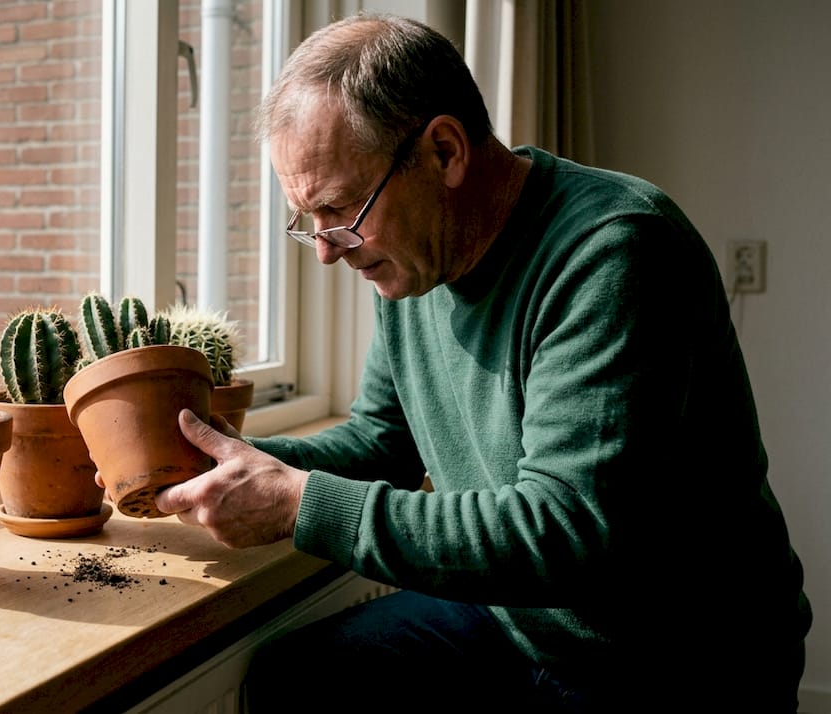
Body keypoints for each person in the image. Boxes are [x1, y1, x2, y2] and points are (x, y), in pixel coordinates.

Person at [151, 12, 812, 713]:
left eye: (340, 209)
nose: (325, 249)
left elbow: (564, 530)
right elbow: (382, 445)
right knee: (299, 681)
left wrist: (302, 504)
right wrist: (217, 461)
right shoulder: (412, 261)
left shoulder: (616, 252)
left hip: (673, 664)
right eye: (306, 219)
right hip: (520, 623)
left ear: (444, 151)